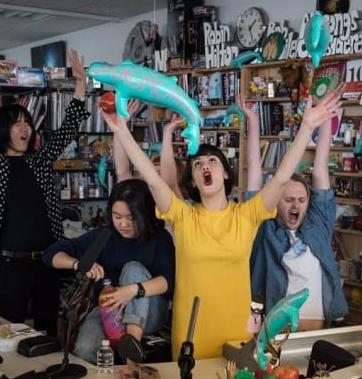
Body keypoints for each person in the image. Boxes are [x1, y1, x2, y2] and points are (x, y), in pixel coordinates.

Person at [102, 88, 342, 360]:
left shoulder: (247, 214)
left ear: (225, 173)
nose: (206, 166)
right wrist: (121, 130)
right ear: (192, 180)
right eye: (198, 164)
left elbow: (281, 179)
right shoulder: (182, 216)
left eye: (213, 161)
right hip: (192, 335)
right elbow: (154, 179)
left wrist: (307, 127)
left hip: (237, 334)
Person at [0, 34, 91, 336]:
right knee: (12, 332)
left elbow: (69, 128)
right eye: (17, 123)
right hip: (11, 265)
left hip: (49, 261)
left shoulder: (40, 158)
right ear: (3, 130)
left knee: (47, 331)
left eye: (27, 123)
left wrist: (81, 84)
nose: (25, 127)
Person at [244, 89, 349, 331]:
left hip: (318, 326)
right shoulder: (264, 226)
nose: (296, 205)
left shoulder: (318, 223)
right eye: (289, 199)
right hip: (275, 328)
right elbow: (253, 171)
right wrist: (253, 121)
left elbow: (321, 166)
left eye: (302, 200)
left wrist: (324, 116)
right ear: (276, 201)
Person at [43, 179, 175, 364]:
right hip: (109, 309)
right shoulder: (104, 236)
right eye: (117, 216)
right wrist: (79, 264)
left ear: (144, 213)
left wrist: (131, 291)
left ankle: (132, 350)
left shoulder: (160, 238)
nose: (123, 224)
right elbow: (50, 255)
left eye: (131, 217)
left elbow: (169, 280)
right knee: (85, 349)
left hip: (149, 311)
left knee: (132, 268)